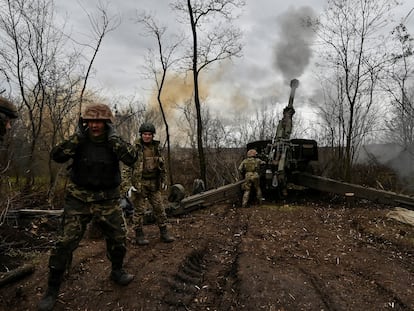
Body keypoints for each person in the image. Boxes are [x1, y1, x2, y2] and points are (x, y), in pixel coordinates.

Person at [38, 103, 137, 311]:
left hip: (108, 199)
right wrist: (77, 138)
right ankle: (52, 289)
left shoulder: (113, 142)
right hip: (79, 199)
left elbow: (132, 158)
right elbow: (57, 155)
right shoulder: (79, 140)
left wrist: (114, 139)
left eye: (99, 122)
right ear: (85, 123)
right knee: (64, 243)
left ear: (107, 123)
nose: (94, 125)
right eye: (91, 121)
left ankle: (117, 270)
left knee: (119, 239)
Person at [124, 122, 174, 246]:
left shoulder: (156, 148)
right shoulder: (134, 149)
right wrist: (127, 185)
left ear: (152, 135)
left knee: (159, 208)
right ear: (141, 135)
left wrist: (164, 180)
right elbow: (126, 168)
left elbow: (162, 166)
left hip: (154, 183)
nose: (147, 136)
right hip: (139, 185)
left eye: (149, 134)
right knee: (139, 210)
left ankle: (164, 232)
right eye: (145, 134)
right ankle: (139, 235)